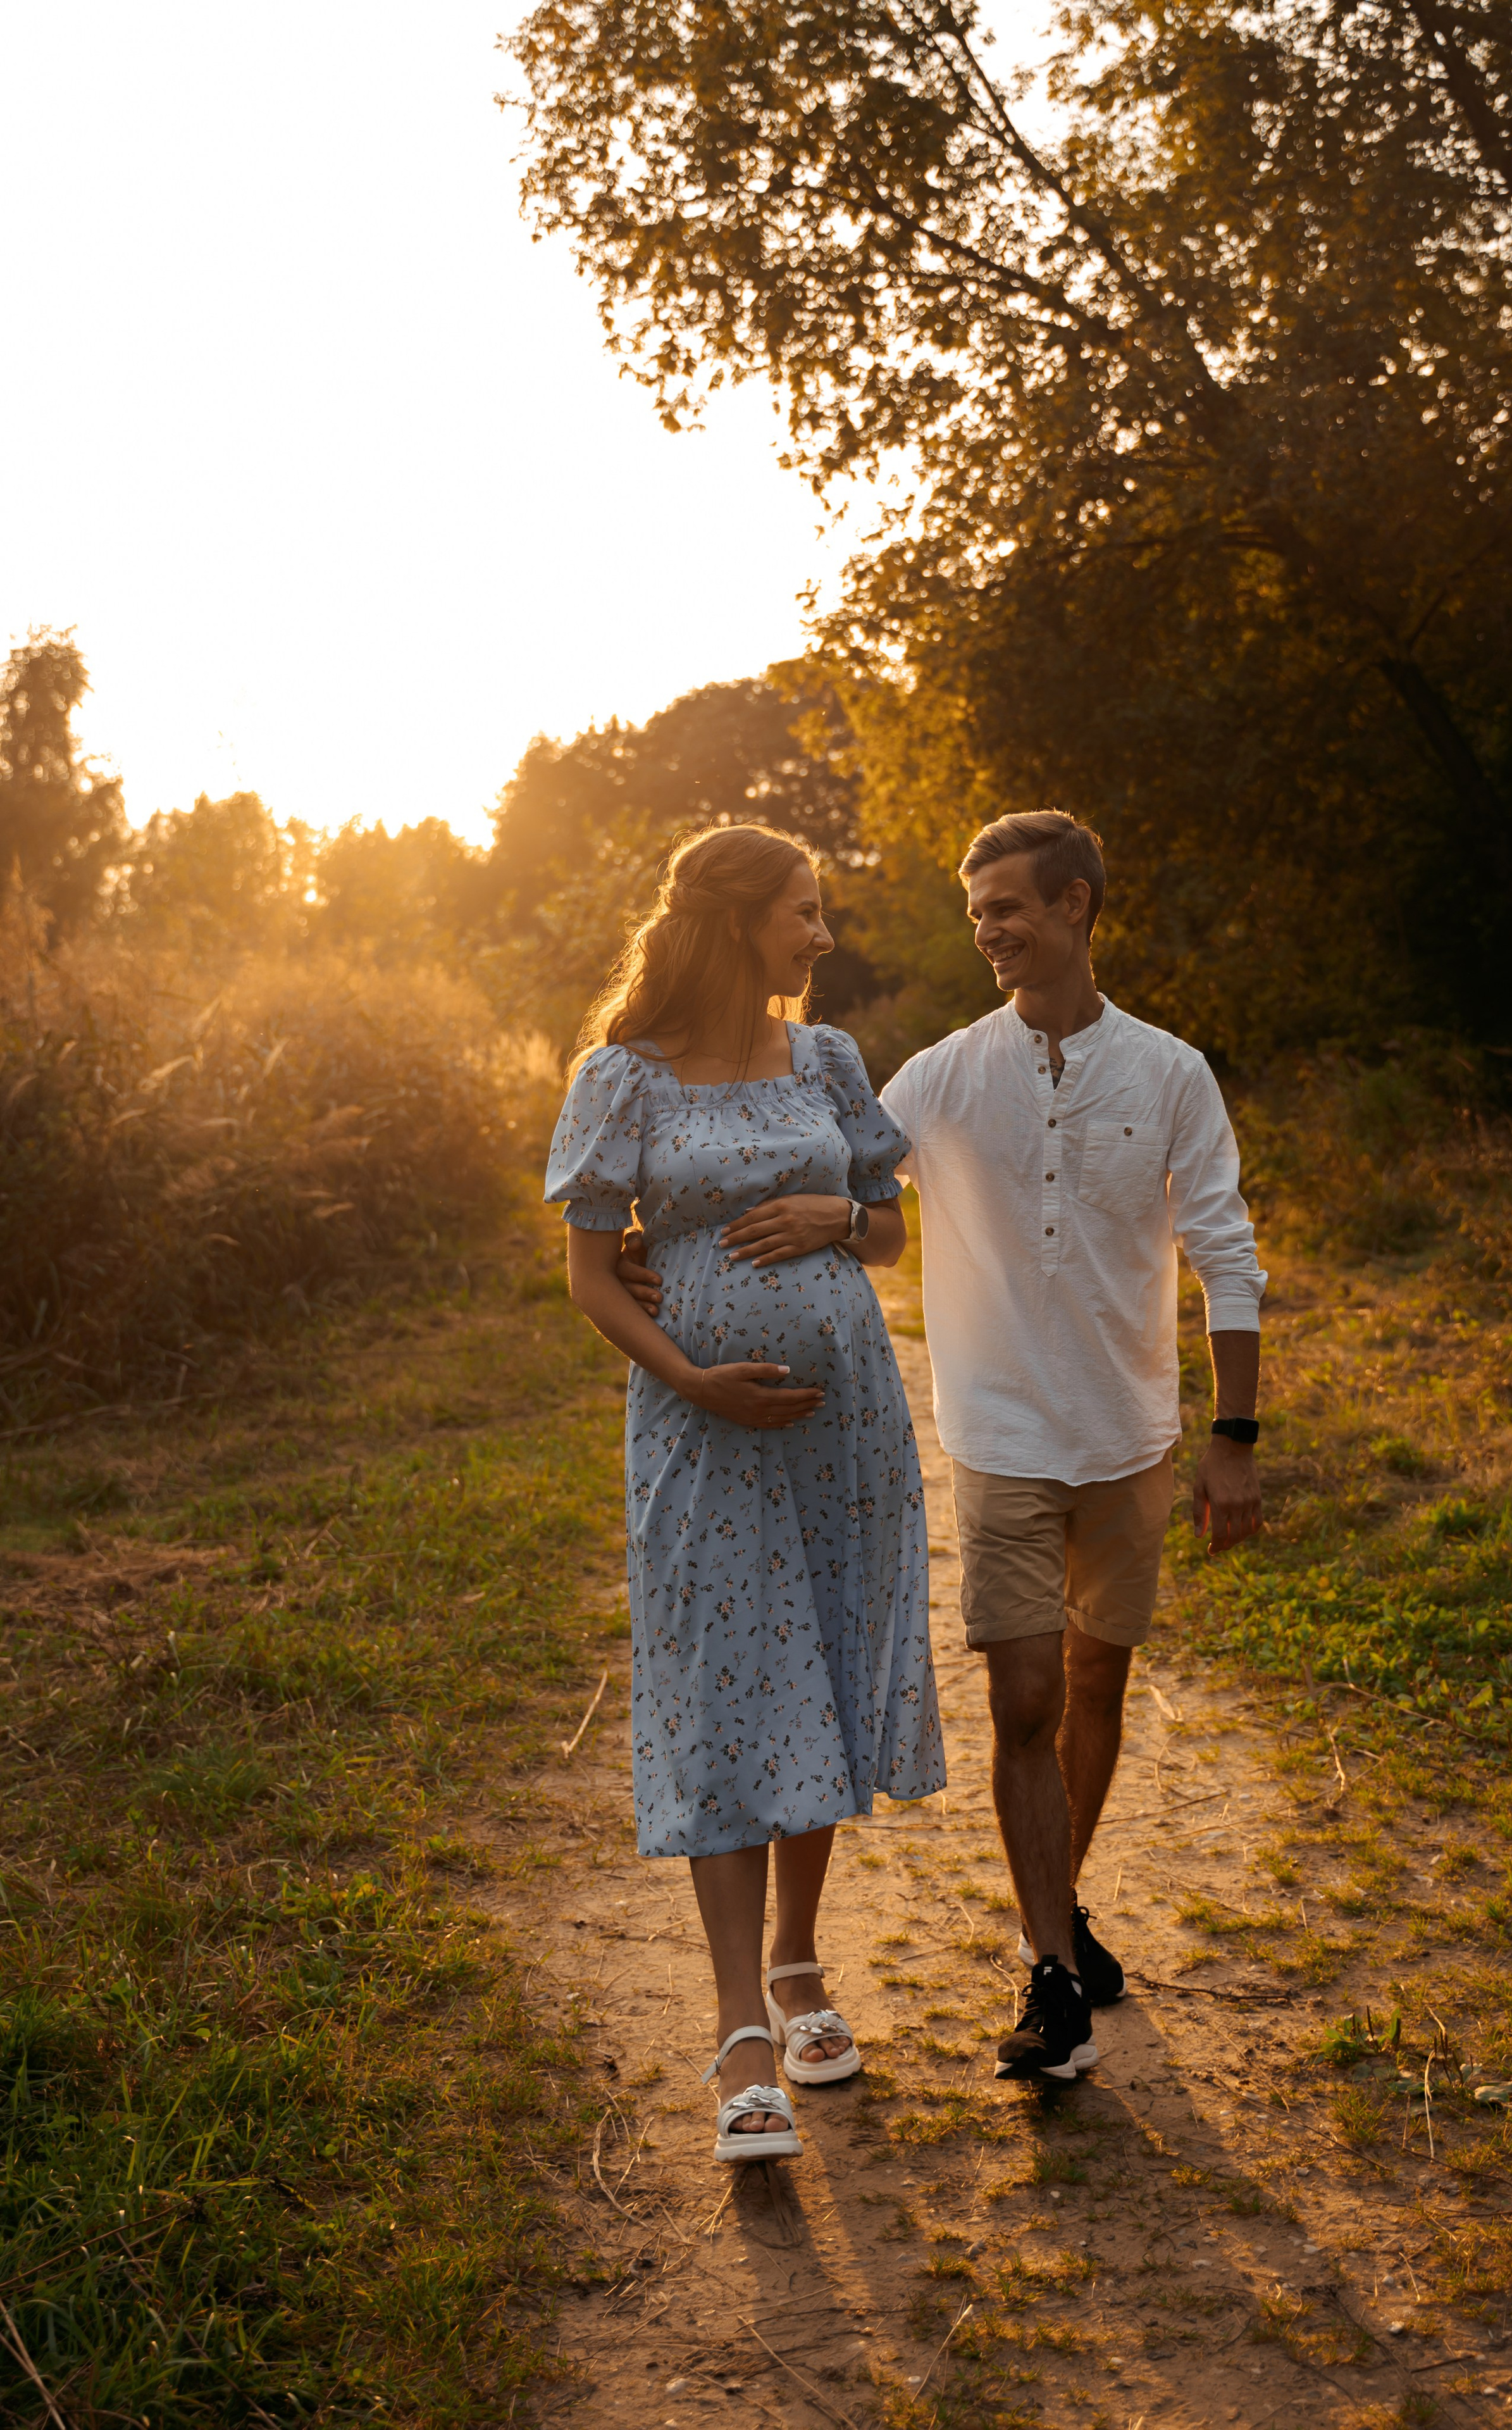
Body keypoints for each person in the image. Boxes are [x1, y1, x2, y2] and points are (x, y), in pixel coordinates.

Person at [546, 822, 943, 2166]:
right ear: (732, 920)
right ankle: (738, 2038)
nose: (822, 935)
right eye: (802, 911)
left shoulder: (826, 1058)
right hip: (698, 1433)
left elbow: (888, 1230)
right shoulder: (623, 1078)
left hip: (846, 1428)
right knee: (726, 1688)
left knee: (817, 1662)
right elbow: (590, 1275)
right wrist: (691, 1379)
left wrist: (841, 1220)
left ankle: (797, 1965)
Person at [878, 811, 1267, 2083]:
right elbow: (842, 1177)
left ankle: (1055, 1912)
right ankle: (1052, 1974)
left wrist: (1232, 1437)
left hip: (1128, 1438)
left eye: (1006, 906)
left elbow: (1224, 1252)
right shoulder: (939, 1077)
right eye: (976, 911)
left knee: (1097, 1684)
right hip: (998, 1436)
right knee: (1025, 1699)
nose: (986, 930)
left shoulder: (1169, 1074)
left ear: (1075, 905)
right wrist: (662, 1233)